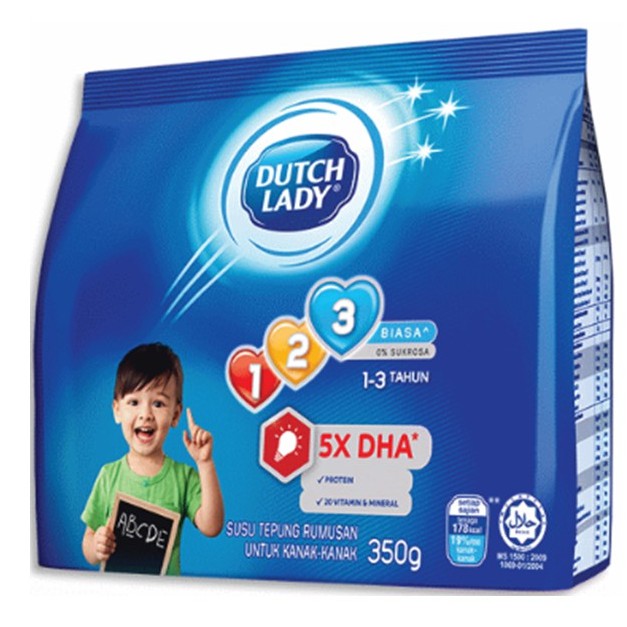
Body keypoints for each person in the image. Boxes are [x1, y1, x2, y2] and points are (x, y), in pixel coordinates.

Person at [81, 342, 224, 575]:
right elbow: (88, 545)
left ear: (175, 414)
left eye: (158, 404)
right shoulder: (108, 475)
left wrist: (205, 464)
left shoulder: (183, 478)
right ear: (117, 410)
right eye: (134, 402)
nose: (145, 414)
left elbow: (212, 526)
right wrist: (96, 546)